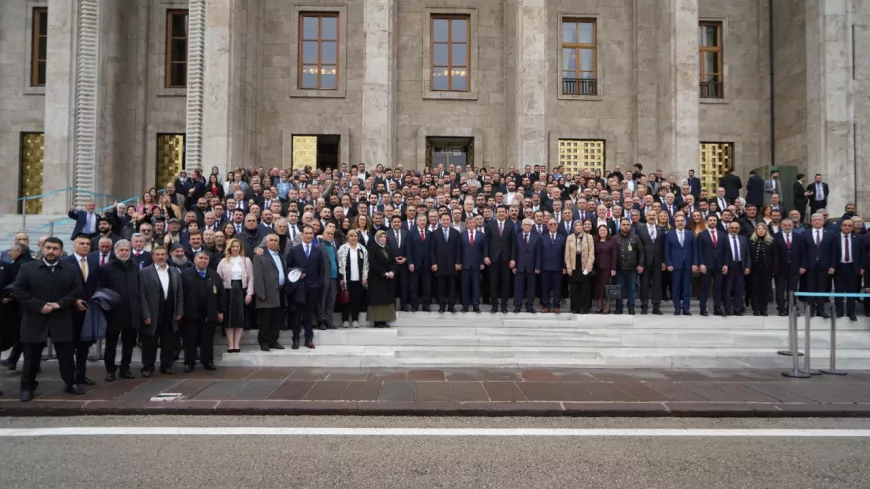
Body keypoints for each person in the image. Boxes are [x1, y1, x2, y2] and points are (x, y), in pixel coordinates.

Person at [13, 237, 83, 401]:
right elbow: (19, 291)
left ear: (61, 251)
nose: (51, 251)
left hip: (61, 317)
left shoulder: (70, 268)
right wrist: (39, 306)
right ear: (42, 249)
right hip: (35, 318)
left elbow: (77, 290)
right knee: (31, 356)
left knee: (66, 355)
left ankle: (70, 383)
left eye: (55, 248)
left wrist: (60, 304)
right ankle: (27, 387)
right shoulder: (27, 268)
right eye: (48, 248)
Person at [138, 245, 183, 376]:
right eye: (157, 254)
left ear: (167, 256)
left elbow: (179, 293)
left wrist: (179, 311)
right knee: (150, 342)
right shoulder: (144, 272)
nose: (160, 257)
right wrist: (145, 314)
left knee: (168, 340)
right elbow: (141, 295)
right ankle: (148, 367)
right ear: (153, 256)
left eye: (163, 254)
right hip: (152, 311)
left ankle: (166, 365)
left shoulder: (174, 272)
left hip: (170, 310)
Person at [100, 239, 142, 381]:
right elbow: (102, 289)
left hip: (131, 311)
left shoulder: (135, 267)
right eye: (121, 250)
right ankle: (110, 369)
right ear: (115, 251)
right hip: (113, 312)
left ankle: (125, 368)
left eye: (127, 250)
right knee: (111, 343)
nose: (124, 253)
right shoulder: (107, 268)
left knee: (129, 342)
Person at [61, 234, 100, 385]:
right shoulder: (65, 262)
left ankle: (81, 375)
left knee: (84, 347)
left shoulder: (93, 262)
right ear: (74, 245)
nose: (85, 246)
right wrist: (73, 300)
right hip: (70, 312)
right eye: (81, 243)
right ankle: (70, 379)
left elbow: (97, 282)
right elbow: (61, 287)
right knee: (70, 348)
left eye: (87, 244)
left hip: (88, 311)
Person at [180, 251, 225, 371]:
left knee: (208, 339)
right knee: (190, 339)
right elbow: (180, 295)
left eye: (206, 258)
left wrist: (220, 311)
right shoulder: (186, 275)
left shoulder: (214, 275)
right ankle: (189, 362)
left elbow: (221, 295)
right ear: (195, 260)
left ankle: (207, 361)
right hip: (190, 313)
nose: (203, 260)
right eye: (200, 258)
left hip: (209, 313)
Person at [286, 225, 323, 349]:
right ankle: (295, 339)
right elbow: (288, 267)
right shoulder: (294, 250)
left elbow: (321, 270)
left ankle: (308, 339)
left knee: (308, 315)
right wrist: (297, 272)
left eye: (310, 233)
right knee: (296, 315)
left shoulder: (318, 251)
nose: (308, 235)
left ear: (313, 235)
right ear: (302, 235)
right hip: (298, 288)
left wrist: (318, 284)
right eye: (306, 233)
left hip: (312, 288)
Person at [0, 242, 34, 371]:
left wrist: (9, 297)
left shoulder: (19, 265)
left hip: (20, 306)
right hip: (29, 305)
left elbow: (17, 286)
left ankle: (27, 364)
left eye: (11, 250)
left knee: (22, 335)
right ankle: (14, 360)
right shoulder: (31, 262)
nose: (9, 253)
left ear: (19, 252)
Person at [216, 238, 253, 353]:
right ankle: (230, 344)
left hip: (241, 290)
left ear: (240, 248)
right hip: (227, 291)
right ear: (229, 248)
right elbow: (218, 279)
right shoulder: (223, 261)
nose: (235, 248)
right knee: (229, 318)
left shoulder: (246, 260)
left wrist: (249, 293)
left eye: (237, 246)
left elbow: (251, 277)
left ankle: (237, 343)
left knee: (239, 318)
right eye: (233, 246)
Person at [253, 233, 287, 351]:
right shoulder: (260, 256)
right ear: (266, 243)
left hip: (280, 291)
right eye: (271, 240)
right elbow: (257, 276)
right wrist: (260, 292)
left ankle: (273, 340)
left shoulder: (280, 255)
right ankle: (264, 342)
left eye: (275, 240)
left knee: (277, 319)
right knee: (265, 320)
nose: (273, 242)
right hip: (266, 293)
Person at [484, 205, 516, 313]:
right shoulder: (490, 225)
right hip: (493, 259)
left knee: (505, 283)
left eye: (503, 212)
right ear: (496, 213)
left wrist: (513, 259)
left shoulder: (510, 225)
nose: (501, 213)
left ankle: (504, 305)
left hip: (506, 259)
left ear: (506, 213)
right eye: (499, 212)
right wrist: (486, 256)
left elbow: (513, 244)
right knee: (493, 282)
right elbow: (486, 242)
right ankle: (494, 304)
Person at [665, 214, 698, 315]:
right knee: (676, 288)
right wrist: (669, 263)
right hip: (675, 265)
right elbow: (667, 251)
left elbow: (695, 250)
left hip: (687, 265)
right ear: (674, 223)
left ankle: (686, 308)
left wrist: (695, 263)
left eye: (681, 221)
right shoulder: (669, 235)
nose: (680, 222)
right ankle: (677, 308)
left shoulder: (690, 234)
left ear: (685, 223)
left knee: (687, 288)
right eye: (678, 221)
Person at [803, 212, 835, 318]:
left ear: (823, 221)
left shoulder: (830, 234)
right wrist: (802, 265)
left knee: (822, 288)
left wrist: (832, 266)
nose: (817, 221)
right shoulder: (805, 233)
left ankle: (821, 310)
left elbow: (833, 252)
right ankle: (810, 310)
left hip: (824, 266)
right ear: (811, 222)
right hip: (809, 266)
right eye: (815, 220)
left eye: (819, 219)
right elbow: (802, 251)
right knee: (810, 288)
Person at [831, 218, 864, 321]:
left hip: (853, 267)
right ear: (841, 226)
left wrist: (862, 267)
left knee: (852, 291)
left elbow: (862, 254)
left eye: (849, 226)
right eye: (845, 225)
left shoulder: (858, 238)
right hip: (839, 267)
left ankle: (851, 313)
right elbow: (831, 254)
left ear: (853, 227)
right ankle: (839, 311)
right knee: (839, 290)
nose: (847, 227)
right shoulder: (834, 238)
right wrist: (832, 266)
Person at [772, 218, 805, 317]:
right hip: (780, 268)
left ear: (792, 226)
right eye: (785, 225)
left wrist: (802, 266)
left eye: (789, 225)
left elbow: (802, 252)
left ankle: (792, 307)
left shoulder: (798, 237)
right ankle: (781, 308)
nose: (787, 227)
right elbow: (773, 254)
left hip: (794, 267)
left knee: (792, 288)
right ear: (781, 226)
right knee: (780, 289)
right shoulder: (775, 237)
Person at [696, 214, 727, 316]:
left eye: (714, 220)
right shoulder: (702, 235)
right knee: (704, 287)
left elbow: (726, 251)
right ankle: (703, 308)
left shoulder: (722, 235)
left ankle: (717, 308)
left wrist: (725, 264)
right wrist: (701, 263)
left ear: (717, 222)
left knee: (718, 287)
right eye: (710, 220)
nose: (712, 222)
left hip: (719, 265)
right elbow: (699, 251)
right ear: (707, 222)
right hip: (706, 265)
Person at [337, 229, 369, 328]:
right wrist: (341, 278)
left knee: (357, 300)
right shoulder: (343, 248)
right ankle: (345, 320)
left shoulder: (362, 249)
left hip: (358, 279)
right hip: (346, 279)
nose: (353, 238)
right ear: (347, 237)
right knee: (346, 300)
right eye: (351, 236)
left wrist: (364, 277)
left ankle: (355, 320)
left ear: (358, 237)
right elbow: (339, 263)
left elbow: (366, 264)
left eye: (355, 236)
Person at [430, 213, 461, 313]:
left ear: (450, 220)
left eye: (447, 219)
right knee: (441, 287)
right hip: (440, 265)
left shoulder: (456, 233)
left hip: (452, 264)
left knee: (452, 287)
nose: (446, 221)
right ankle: (442, 306)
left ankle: (451, 306)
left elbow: (458, 250)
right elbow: (432, 250)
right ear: (440, 221)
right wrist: (433, 263)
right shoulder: (434, 233)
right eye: (444, 220)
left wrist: (457, 262)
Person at [636, 210, 665, 315]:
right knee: (644, 284)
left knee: (657, 284)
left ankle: (656, 306)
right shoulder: (639, 229)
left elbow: (663, 246)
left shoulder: (661, 229)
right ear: (646, 216)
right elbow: (638, 247)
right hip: (645, 261)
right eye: (650, 215)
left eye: (653, 215)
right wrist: (639, 262)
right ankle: (644, 306)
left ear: (656, 215)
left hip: (658, 261)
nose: (652, 217)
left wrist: (664, 261)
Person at [613, 218, 644, 315]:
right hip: (619, 268)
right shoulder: (614, 238)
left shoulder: (635, 237)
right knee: (618, 289)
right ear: (620, 226)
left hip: (632, 269)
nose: (625, 226)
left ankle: (631, 307)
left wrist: (641, 264)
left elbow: (641, 252)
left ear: (630, 226)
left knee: (632, 289)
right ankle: (619, 307)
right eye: (623, 224)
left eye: (627, 224)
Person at [368, 230, 397, 328]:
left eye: (384, 237)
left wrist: (392, 271)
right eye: (381, 237)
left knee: (386, 300)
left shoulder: (388, 248)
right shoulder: (373, 249)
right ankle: (377, 321)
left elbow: (393, 261)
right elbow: (373, 264)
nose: (383, 239)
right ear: (377, 238)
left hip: (387, 279)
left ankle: (384, 320)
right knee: (378, 300)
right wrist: (384, 273)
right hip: (377, 279)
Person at [564, 220, 595, 314]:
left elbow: (591, 253)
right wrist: (568, 267)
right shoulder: (569, 238)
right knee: (574, 288)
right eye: (576, 225)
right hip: (574, 265)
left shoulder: (589, 237)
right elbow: (567, 253)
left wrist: (589, 265)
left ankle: (584, 308)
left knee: (585, 288)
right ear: (574, 227)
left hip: (585, 265)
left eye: (580, 225)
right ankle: (574, 307)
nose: (578, 227)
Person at [513, 218, 542, 313]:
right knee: (518, 287)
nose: (527, 226)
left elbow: (539, 254)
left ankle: (530, 306)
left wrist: (538, 267)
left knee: (531, 288)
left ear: (531, 227)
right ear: (521, 226)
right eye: (525, 225)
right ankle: (517, 305)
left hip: (532, 267)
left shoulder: (536, 238)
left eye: (529, 225)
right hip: (519, 267)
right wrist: (514, 266)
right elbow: (514, 252)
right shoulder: (516, 237)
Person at [749, 222, 777, 316]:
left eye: (763, 229)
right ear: (756, 231)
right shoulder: (751, 241)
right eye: (759, 229)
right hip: (754, 270)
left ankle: (764, 309)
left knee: (765, 290)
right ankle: (756, 309)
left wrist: (773, 269)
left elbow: (774, 256)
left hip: (766, 270)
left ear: (766, 231)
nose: (761, 231)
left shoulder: (771, 241)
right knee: (754, 290)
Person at [539, 219, 567, 313]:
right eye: (550, 224)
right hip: (545, 267)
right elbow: (539, 254)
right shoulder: (542, 238)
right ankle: (546, 305)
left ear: (557, 225)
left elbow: (565, 254)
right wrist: (538, 267)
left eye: (554, 224)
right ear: (547, 226)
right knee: (544, 288)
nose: (552, 225)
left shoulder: (563, 238)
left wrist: (564, 267)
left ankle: (556, 306)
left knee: (557, 288)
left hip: (558, 268)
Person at [723, 221, 750, 315]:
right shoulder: (724, 238)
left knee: (739, 289)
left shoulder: (743, 239)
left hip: (740, 266)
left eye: (736, 228)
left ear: (739, 229)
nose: (734, 229)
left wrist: (747, 266)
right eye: (732, 228)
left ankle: (737, 309)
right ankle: (727, 308)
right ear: (728, 228)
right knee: (728, 288)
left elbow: (747, 254)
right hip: (728, 266)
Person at [459, 216, 485, 312]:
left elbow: (483, 251)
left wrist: (482, 262)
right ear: (466, 224)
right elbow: (459, 250)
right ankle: (465, 306)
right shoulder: (461, 235)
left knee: (476, 286)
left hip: (476, 265)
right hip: (465, 265)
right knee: (465, 286)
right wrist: (459, 262)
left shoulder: (481, 235)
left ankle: (476, 305)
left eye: (473, 223)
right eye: (469, 223)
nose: (472, 224)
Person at [385, 215, 411, 311]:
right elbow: (386, 249)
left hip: (404, 264)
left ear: (401, 223)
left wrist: (406, 258)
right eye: (394, 222)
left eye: (398, 222)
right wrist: (393, 259)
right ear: (392, 223)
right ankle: (392, 306)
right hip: (392, 265)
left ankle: (404, 305)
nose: (396, 223)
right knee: (392, 286)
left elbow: (409, 248)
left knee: (404, 285)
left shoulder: (406, 233)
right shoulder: (387, 233)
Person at [408, 214, 432, 312]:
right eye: (420, 220)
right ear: (416, 222)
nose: (422, 222)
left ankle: (426, 305)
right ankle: (414, 306)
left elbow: (432, 249)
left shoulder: (430, 233)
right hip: (415, 264)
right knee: (414, 286)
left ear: (426, 222)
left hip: (427, 264)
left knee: (427, 286)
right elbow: (408, 249)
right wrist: (410, 262)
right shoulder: (411, 233)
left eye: (424, 220)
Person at [592, 224, 618, 314]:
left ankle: (607, 307)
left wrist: (613, 268)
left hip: (607, 268)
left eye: (604, 230)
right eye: (601, 230)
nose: (602, 232)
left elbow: (614, 255)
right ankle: (599, 307)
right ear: (598, 232)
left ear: (607, 232)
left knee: (607, 288)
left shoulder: (612, 241)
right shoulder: (595, 242)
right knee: (598, 288)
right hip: (597, 268)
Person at [318, 226, 340, 329]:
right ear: (323, 235)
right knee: (322, 300)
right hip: (324, 278)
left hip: (334, 278)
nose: (330, 235)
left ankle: (329, 320)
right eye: (328, 233)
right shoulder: (318, 247)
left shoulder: (334, 248)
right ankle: (321, 321)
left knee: (331, 300)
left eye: (332, 234)